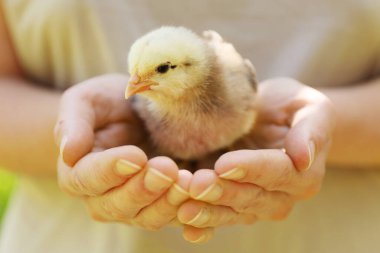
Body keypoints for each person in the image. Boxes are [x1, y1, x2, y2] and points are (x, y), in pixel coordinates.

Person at [0, 0, 379, 252]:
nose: (133, 89)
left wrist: (320, 130)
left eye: (159, 72)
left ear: (192, 68)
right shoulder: (144, 102)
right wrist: (75, 138)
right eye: (135, 77)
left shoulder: (234, 83)